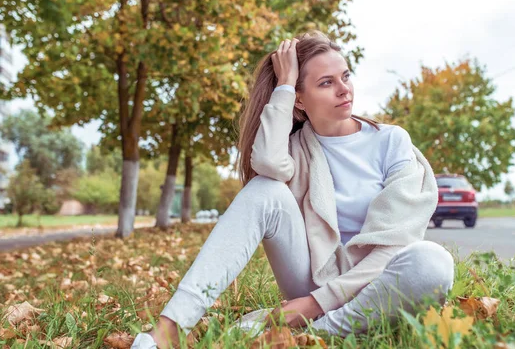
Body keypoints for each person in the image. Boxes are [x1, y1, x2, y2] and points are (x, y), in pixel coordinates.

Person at [132, 31, 455, 348]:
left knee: (433, 263)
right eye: (326, 83)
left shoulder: (391, 141)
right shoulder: (296, 149)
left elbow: (395, 244)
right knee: (264, 190)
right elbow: (268, 164)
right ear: (300, 99)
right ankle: (171, 327)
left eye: (345, 76)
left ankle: (319, 331)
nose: (344, 89)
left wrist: (313, 306)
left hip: (375, 280)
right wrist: (284, 86)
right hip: (313, 276)